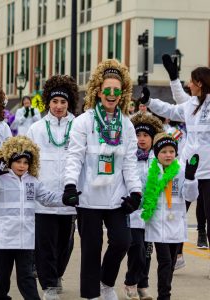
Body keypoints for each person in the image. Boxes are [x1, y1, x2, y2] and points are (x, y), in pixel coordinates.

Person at [63, 59, 142, 300]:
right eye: (107, 89)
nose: (111, 94)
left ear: (122, 94)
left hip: (116, 197)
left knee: (122, 241)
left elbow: (129, 162)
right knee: (91, 249)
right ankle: (91, 295)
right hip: (88, 198)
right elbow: (74, 157)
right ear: (98, 92)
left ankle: (107, 281)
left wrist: (136, 193)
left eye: (116, 91)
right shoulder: (82, 122)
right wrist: (70, 185)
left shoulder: (127, 125)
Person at [0, 135, 65, 300]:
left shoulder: (32, 181)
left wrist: (66, 199)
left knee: (26, 277)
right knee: (2, 278)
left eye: (26, 162)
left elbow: (48, 198)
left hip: (25, 239)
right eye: (18, 161)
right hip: (3, 239)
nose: (22, 166)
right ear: (9, 160)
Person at [141, 56, 210, 260]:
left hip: (209, 172)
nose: (189, 84)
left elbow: (180, 96)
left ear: (200, 83)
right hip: (187, 169)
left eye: (191, 81)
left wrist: (173, 79)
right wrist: (149, 101)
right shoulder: (191, 104)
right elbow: (171, 109)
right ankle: (175, 256)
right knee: (177, 212)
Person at [26, 74, 79, 300]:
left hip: (69, 198)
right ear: (48, 101)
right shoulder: (36, 128)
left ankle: (57, 274)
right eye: (55, 102)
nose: (58, 106)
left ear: (69, 103)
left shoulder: (79, 126)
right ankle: (48, 285)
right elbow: (27, 162)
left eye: (63, 102)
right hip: (43, 199)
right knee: (44, 244)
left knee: (64, 244)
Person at [141, 133, 199, 300]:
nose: (168, 155)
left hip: (176, 226)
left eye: (171, 151)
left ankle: (164, 292)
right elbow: (143, 196)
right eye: (164, 152)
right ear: (157, 154)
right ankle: (164, 296)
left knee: (171, 264)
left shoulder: (180, 172)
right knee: (165, 261)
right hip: (157, 225)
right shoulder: (150, 173)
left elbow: (190, 196)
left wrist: (190, 179)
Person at [123, 112, 164, 300]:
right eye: (138, 135)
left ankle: (143, 285)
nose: (141, 139)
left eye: (145, 135)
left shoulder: (158, 159)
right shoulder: (128, 157)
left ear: (152, 138)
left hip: (151, 214)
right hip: (133, 213)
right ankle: (130, 282)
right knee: (137, 249)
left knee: (147, 252)